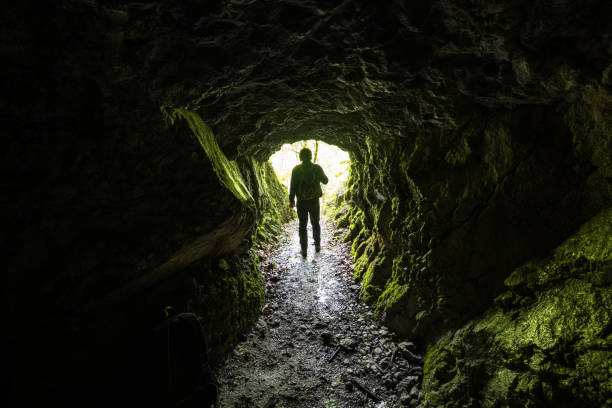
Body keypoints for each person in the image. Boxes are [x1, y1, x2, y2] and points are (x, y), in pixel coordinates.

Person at [289, 147, 329, 257]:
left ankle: (304, 250)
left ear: (301, 157)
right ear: (310, 156)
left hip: (301, 201)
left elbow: (292, 186)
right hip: (314, 201)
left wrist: (291, 200)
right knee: (315, 223)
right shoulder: (316, 168)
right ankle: (317, 245)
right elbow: (325, 181)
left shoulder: (296, 169)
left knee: (302, 225)